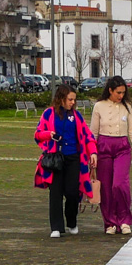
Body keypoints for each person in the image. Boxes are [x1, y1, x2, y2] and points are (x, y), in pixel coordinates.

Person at [32, 81, 96, 238]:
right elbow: (38, 134)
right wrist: (49, 134)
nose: (73, 103)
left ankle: (72, 221)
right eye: (70, 99)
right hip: (55, 159)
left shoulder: (77, 116)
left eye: (74, 99)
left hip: (74, 158)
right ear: (61, 99)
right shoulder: (48, 114)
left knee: (73, 192)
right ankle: (56, 227)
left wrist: (93, 152)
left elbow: (87, 135)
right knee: (55, 193)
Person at [89, 75, 132, 234]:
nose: (121, 96)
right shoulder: (99, 106)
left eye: (123, 93)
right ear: (110, 90)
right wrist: (92, 152)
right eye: (118, 92)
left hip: (122, 147)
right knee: (106, 187)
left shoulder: (127, 107)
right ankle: (110, 222)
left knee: (119, 184)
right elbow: (93, 132)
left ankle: (124, 220)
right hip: (103, 147)